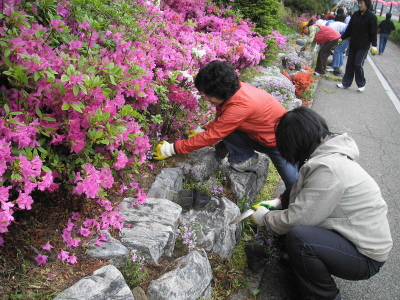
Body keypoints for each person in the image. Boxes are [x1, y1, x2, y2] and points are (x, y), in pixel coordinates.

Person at [251, 106, 393, 300]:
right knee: (291, 198)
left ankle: (324, 296)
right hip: (351, 238)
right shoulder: (328, 155)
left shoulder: (328, 169)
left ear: (296, 142)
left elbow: (297, 220)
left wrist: (266, 217)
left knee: (300, 238)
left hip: (365, 256)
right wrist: (278, 202)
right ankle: (301, 263)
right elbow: (300, 192)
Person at [153, 60, 298, 196]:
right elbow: (222, 120)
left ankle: (298, 205)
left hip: (278, 143)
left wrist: (172, 149)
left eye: (207, 95)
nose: (205, 98)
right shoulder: (235, 90)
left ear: (221, 93)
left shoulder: (241, 105)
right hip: (264, 134)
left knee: (294, 184)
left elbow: (215, 133)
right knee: (225, 129)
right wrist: (204, 130)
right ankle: (245, 157)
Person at [336, 0, 378, 92]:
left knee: (358, 64)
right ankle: (346, 83)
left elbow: (374, 32)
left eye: (361, 3)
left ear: (367, 4)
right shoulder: (355, 15)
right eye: (359, 3)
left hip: (364, 45)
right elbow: (349, 29)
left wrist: (374, 45)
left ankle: (361, 83)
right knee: (350, 64)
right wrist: (342, 38)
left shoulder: (372, 17)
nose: (359, 5)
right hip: (353, 44)